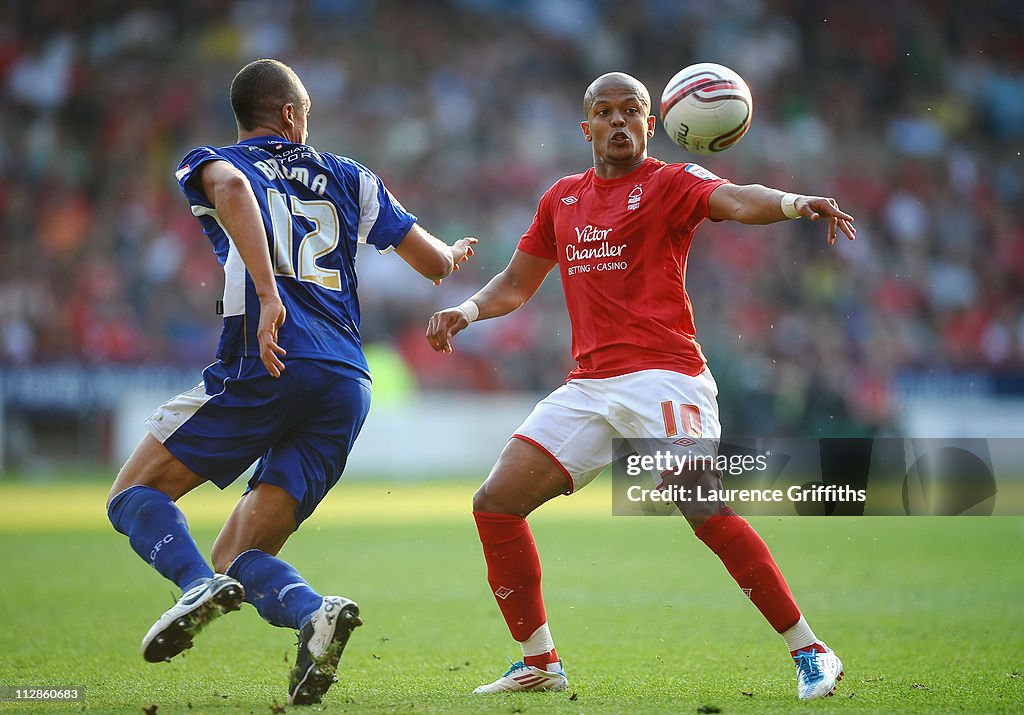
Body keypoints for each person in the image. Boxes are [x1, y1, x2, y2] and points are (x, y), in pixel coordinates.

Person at [426, 71, 855, 701]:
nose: (620, 121)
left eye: (633, 111)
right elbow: (516, 285)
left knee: (696, 499)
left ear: (651, 124)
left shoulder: (670, 184)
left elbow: (736, 199)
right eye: (606, 112)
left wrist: (794, 203)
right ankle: (539, 661)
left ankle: (811, 650)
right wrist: (466, 311)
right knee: (494, 501)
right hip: (590, 386)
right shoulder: (561, 199)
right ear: (587, 127)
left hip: (665, 376)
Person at [106, 58, 476, 706]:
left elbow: (234, 192)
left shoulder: (211, 161)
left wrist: (270, 293)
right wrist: (451, 255)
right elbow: (431, 262)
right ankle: (312, 613)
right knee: (238, 552)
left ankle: (192, 585)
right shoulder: (350, 174)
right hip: (344, 380)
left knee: (132, 492)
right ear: (290, 114)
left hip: (268, 359)